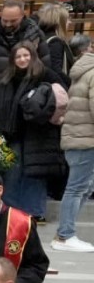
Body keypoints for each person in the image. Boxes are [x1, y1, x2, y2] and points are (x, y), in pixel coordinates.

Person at [0, 40, 63, 219]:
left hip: (38, 135)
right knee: (11, 173)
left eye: (26, 55)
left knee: (34, 174)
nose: (22, 60)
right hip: (11, 134)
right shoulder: (5, 78)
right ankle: (11, 211)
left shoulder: (45, 74)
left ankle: (35, 212)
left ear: (33, 56)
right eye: (18, 56)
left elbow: (61, 96)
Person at [52, 40, 94, 252]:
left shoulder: (81, 70)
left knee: (85, 187)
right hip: (85, 138)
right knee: (77, 188)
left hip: (78, 137)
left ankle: (65, 231)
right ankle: (65, 235)